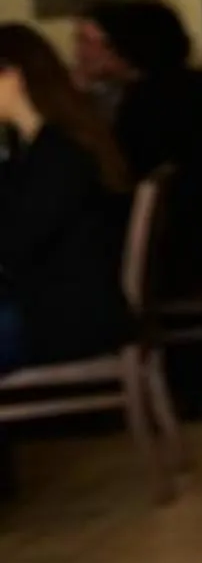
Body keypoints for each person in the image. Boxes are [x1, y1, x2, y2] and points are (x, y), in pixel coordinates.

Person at [77, 0, 202, 294]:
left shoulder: (148, 106)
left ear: (125, 48)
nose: (80, 52)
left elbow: (120, 180)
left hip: (187, 251)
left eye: (91, 42)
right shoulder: (196, 90)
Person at [0, 24, 133, 377]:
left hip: (64, 320)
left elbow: (15, 243)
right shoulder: (45, 147)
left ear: (14, 76)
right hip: (55, 307)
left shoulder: (60, 154)